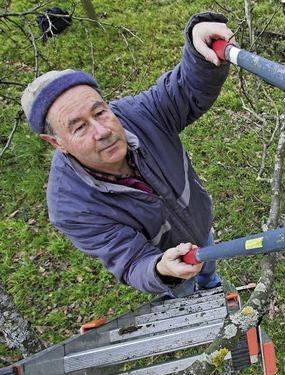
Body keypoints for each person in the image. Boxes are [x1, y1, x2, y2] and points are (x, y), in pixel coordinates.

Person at [20, 12, 233, 297]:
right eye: (79, 127)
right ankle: (195, 297)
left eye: (100, 112)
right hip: (171, 265)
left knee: (208, 266)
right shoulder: (70, 206)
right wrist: (161, 269)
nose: (102, 131)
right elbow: (130, 260)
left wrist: (199, 47)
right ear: (57, 143)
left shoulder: (137, 114)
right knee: (186, 292)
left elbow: (184, 89)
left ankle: (211, 284)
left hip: (199, 225)